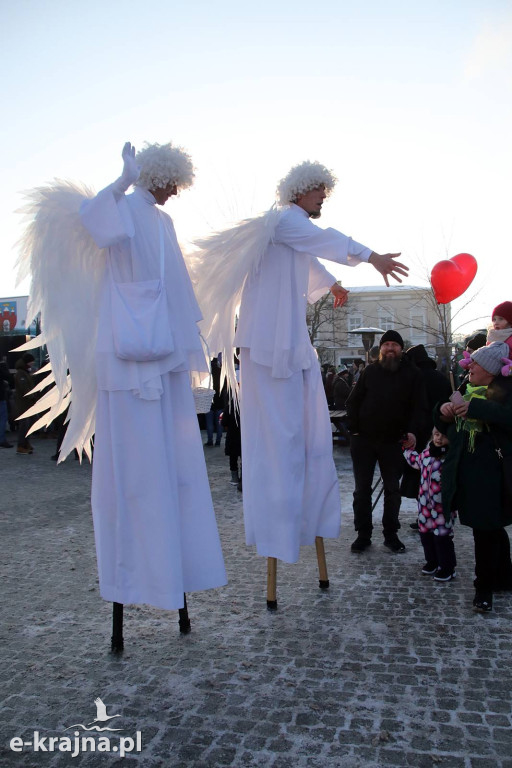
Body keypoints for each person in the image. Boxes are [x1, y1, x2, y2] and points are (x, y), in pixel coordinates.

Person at [20, 141, 227, 611]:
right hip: (132, 350)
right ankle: (139, 576)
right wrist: (121, 183)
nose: (176, 191)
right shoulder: (126, 206)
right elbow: (95, 222)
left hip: (163, 350)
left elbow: (174, 280)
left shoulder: (164, 220)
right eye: (172, 181)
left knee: (172, 463)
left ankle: (171, 570)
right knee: (135, 468)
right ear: (158, 175)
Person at [193, 160, 408, 565]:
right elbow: (322, 239)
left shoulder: (290, 231)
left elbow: (308, 257)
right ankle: (280, 512)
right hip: (271, 343)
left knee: (298, 433)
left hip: (284, 342)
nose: (323, 197)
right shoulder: (284, 222)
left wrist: (331, 283)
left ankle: (300, 505)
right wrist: (371, 256)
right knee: (281, 435)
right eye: (319, 191)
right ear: (299, 192)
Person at [435, 341, 512, 612]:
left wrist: (477, 408)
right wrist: (443, 410)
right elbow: (444, 420)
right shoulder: (464, 387)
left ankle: (484, 589)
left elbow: (507, 417)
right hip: (463, 470)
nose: (469, 367)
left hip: (491, 473)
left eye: (475, 364)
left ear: (490, 370)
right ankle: (503, 576)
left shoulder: (504, 391)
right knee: (491, 528)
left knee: (485, 530)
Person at [346, 329, 428, 553]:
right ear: (380, 349)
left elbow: (419, 408)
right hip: (363, 441)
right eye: (386, 344)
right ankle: (363, 534)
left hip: (394, 442)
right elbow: (353, 401)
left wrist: (413, 432)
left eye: (395, 344)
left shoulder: (413, 375)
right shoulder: (370, 372)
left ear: (401, 349)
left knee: (392, 490)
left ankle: (390, 534)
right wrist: (353, 429)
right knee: (361, 490)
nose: (390, 348)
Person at [400, 344, 453, 504]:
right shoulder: (440, 377)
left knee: (420, 473)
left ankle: (425, 512)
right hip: (441, 430)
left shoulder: (415, 378)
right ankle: (443, 509)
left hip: (419, 431)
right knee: (440, 473)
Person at [403, 427, 457, 581]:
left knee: (442, 537)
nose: (439, 439)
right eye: (437, 435)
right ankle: (432, 561)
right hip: (425, 506)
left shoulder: (451, 456)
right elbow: (415, 461)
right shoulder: (427, 453)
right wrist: (408, 449)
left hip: (442, 507)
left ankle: (447, 567)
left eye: (444, 436)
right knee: (426, 535)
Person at [14, 353, 36, 455]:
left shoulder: (25, 372)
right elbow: (24, 388)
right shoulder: (21, 373)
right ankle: (21, 445)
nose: (33, 363)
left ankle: (25, 443)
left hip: (27, 404)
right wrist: (32, 396)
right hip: (23, 404)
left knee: (28, 425)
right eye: (31, 361)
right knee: (24, 425)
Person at [0, 358, 14, 448]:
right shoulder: (1, 367)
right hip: (0, 397)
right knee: (2, 419)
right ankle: (1, 440)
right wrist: (3, 365)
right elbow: (7, 376)